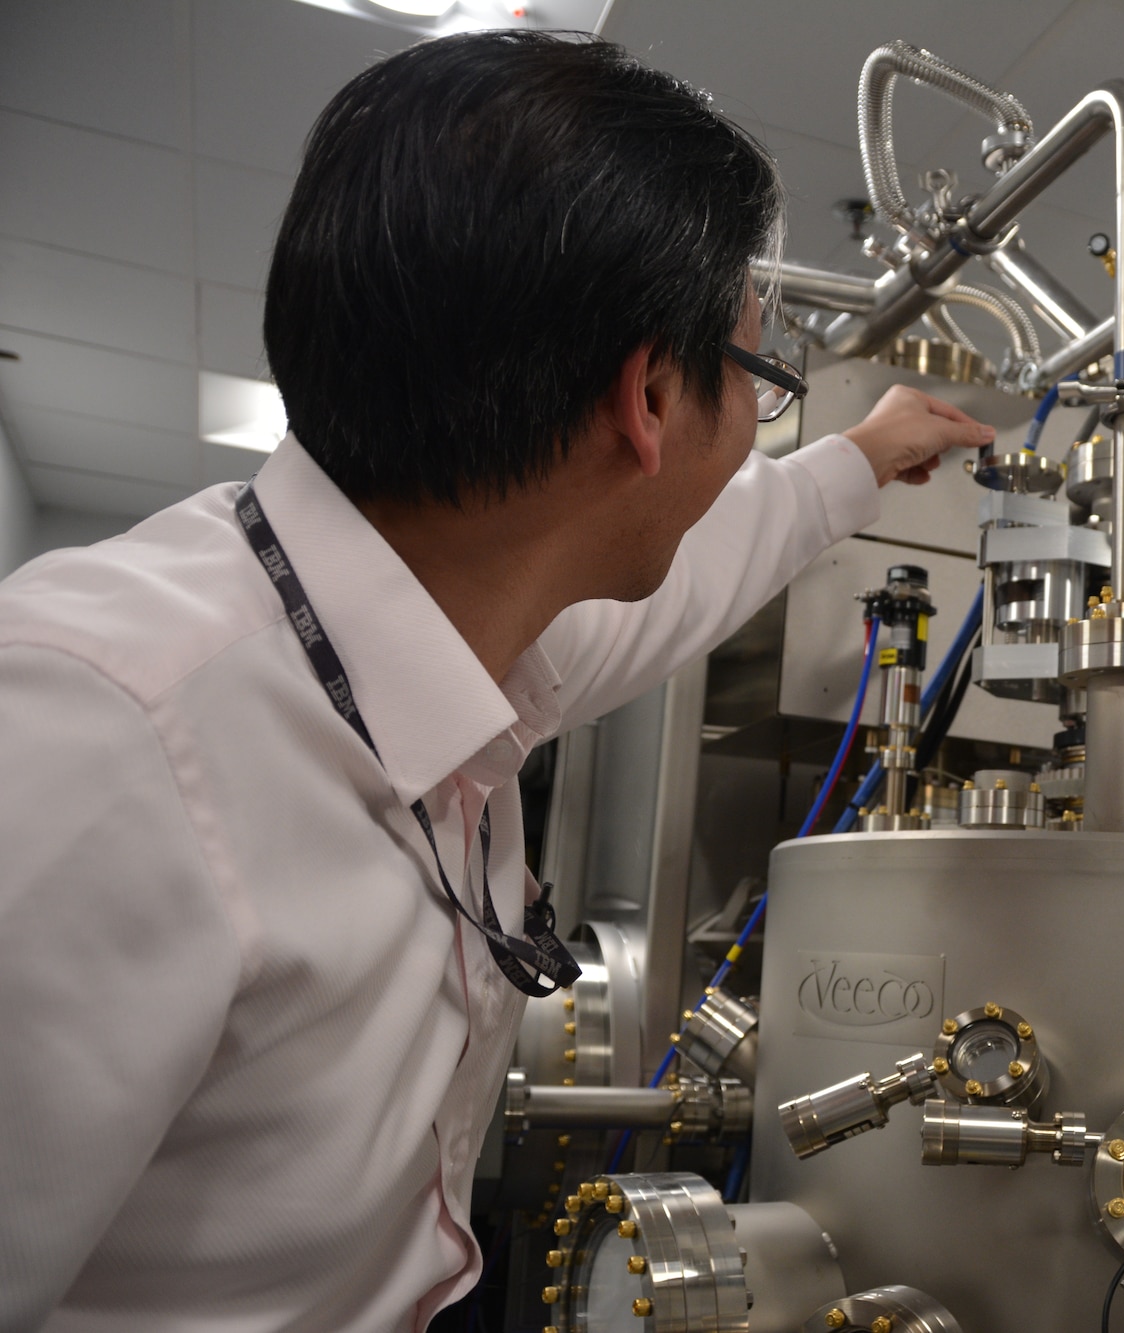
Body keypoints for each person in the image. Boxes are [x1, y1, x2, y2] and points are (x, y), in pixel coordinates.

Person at [0, 31, 991, 1330]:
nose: (755, 422)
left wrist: (860, 453)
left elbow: (706, 567)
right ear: (647, 396)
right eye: (757, 374)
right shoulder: (94, 736)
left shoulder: (479, 630)